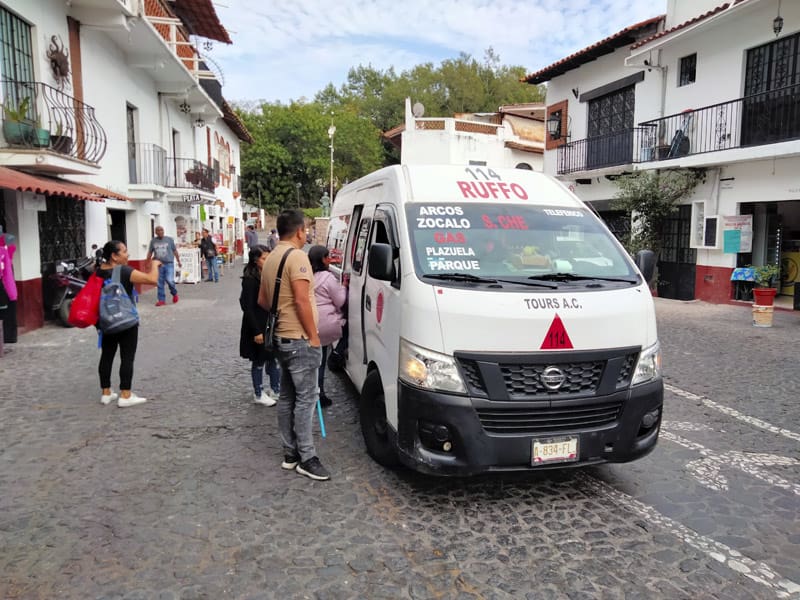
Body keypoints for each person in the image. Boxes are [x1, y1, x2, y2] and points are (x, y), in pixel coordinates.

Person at [258, 209, 329, 481]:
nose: (308, 233)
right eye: (307, 229)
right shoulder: (297, 256)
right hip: (299, 339)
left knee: (287, 396)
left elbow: (264, 301)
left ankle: (290, 454)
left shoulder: (272, 255)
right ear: (300, 231)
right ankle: (307, 457)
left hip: (280, 339)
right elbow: (301, 300)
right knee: (307, 398)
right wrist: (313, 335)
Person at [96, 240, 160, 407]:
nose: (128, 254)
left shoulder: (97, 272)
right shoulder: (124, 271)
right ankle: (125, 394)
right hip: (125, 321)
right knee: (127, 357)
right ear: (114, 256)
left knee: (107, 355)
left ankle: (106, 392)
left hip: (106, 321)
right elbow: (152, 280)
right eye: (124, 251)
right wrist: (154, 264)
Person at [239, 244, 280, 407]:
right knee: (259, 360)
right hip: (256, 325)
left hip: (269, 323)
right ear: (256, 260)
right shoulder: (250, 280)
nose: (267, 260)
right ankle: (258, 392)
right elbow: (247, 306)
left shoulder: (267, 275)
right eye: (264, 258)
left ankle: (276, 389)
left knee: (273, 357)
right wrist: (256, 331)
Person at [308, 245, 346, 408]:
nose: (330, 259)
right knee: (320, 361)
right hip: (323, 324)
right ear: (322, 259)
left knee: (311, 362)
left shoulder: (306, 275)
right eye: (328, 256)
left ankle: (310, 392)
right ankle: (319, 394)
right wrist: (343, 286)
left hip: (307, 322)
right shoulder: (328, 277)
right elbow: (340, 301)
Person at [146, 226, 182, 306]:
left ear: (164, 231)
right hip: (158, 264)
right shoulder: (153, 241)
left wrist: (179, 261)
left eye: (161, 230)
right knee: (159, 283)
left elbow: (175, 251)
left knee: (170, 280)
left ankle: (174, 293)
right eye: (158, 230)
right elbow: (150, 252)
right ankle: (161, 300)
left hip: (169, 263)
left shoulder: (169, 240)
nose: (160, 232)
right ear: (156, 232)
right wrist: (147, 262)